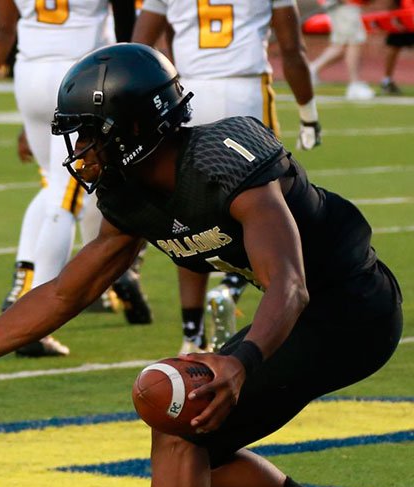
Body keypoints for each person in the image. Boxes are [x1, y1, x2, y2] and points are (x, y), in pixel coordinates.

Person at [0, 43, 402, 487]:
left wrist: (242, 361)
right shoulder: (127, 195)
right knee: (191, 435)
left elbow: (291, 285)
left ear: (137, 128)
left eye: (90, 131)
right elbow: (66, 292)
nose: (80, 147)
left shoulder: (224, 160)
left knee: (183, 424)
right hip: (298, 318)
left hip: (354, 310)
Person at [132, 0, 322, 354]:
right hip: (245, 90)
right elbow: (292, 48)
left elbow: (141, 46)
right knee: (266, 208)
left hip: (188, 93)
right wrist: (308, 114)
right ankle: (233, 286)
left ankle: (191, 333)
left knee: (185, 213)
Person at [0, 0, 152, 357]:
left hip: (29, 74)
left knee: (55, 186)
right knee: (67, 196)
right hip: (80, 73)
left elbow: (2, 27)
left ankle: (23, 288)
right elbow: (129, 22)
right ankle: (34, 322)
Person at [310, 0, 375, 100]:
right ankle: (354, 85)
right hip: (344, 5)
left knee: (341, 46)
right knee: (353, 42)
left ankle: (311, 70)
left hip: (344, 5)